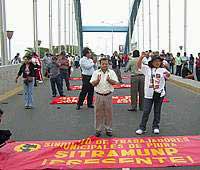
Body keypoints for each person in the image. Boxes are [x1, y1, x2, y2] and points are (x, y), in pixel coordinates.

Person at [135, 53, 170, 135]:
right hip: (148, 94)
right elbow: (139, 66)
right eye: (155, 61)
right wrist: (141, 57)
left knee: (157, 111)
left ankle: (156, 126)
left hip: (159, 94)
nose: (157, 63)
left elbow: (168, 76)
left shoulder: (163, 70)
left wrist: (167, 74)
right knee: (146, 111)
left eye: (159, 61)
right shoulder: (147, 69)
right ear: (152, 62)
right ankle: (142, 127)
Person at [90, 57, 118, 137]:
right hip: (98, 95)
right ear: (100, 64)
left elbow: (115, 83)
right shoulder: (96, 72)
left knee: (108, 113)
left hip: (108, 95)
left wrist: (109, 80)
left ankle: (108, 129)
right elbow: (93, 84)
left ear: (108, 64)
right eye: (103, 64)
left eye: (106, 64)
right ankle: (98, 130)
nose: (104, 65)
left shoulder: (111, 72)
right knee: (98, 113)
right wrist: (97, 81)